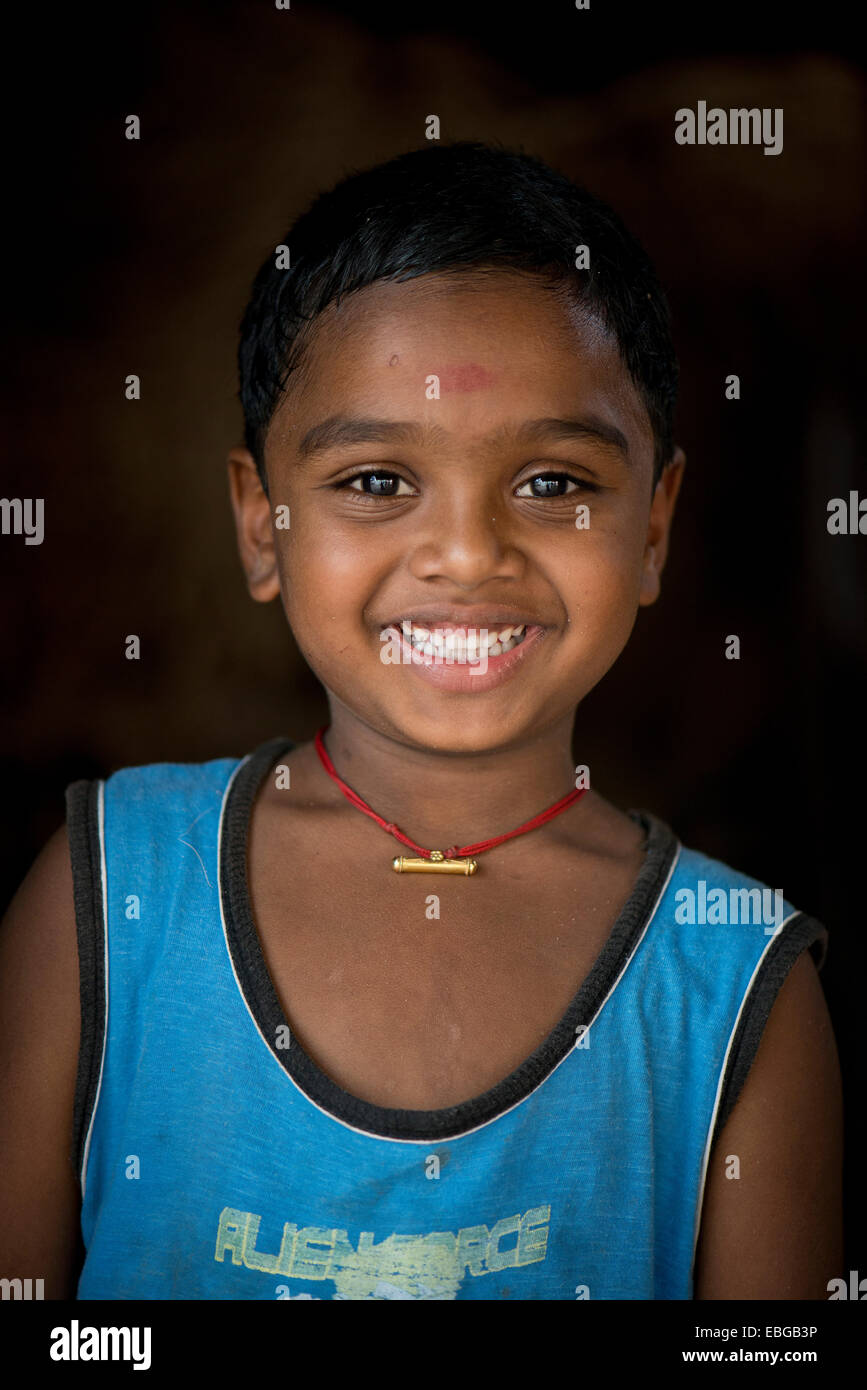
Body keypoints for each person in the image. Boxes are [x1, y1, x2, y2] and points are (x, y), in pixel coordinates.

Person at [0, 142, 842, 1300]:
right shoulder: (106, 894)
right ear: (261, 524)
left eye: (554, 483)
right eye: (378, 480)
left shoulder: (738, 979)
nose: (465, 553)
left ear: (653, 527)